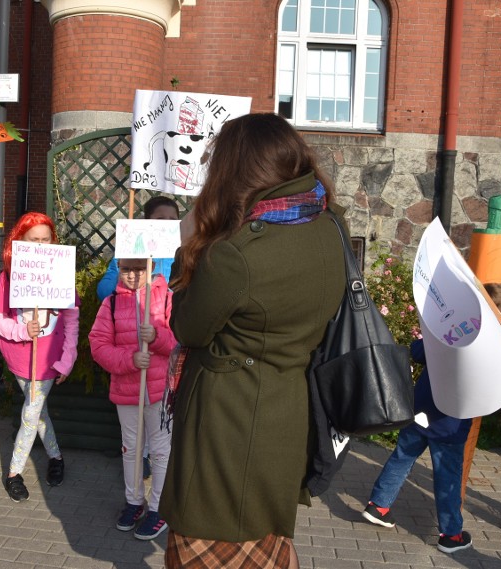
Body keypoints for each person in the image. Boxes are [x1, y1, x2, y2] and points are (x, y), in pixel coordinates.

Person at [159, 113, 346, 568]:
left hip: (228, 418)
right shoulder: (329, 226)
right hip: (286, 411)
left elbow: (188, 327)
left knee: (210, 540)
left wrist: (187, 251)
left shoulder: (235, 254)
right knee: (265, 539)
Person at [362, 283, 501, 554]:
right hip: (451, 422)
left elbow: (417, 350)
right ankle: (451, 535)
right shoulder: (492, 348)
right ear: (499, 318)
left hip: (420, 409)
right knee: (448, 475)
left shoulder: (453, 333)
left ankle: (378, 505)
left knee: (402, 457)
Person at [0, 212, 80, 502]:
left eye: (45, 239)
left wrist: (68, 358)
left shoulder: (62, 273)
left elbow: (71, 319)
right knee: (38, 412)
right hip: (18, 358)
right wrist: (21, 330)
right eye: (33, 240)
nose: (40, 245)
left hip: (49, 361)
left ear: (53, 241)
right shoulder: (9, 275)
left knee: (30, 414)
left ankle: (13, 472)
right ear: (19, 242)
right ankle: (56, 457)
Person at [89, 257, 177, 540]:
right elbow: (98, 344)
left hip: (159, 390)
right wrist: (129, 359)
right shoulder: (111, 303)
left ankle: (159, 507)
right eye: (126, 268)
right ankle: (134, 501)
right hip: (127, 390)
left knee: (161, 450)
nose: (133, 275)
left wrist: (158, 337)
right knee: (131, 448)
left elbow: (181, 341)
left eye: (140, 268)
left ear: (151, 268)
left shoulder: (165, 298)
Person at [96, 196, 180, 301]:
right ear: (147, 221)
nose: (167, 224)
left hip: (171, 314)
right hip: (134, 312)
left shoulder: (183, 253)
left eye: (173, 220)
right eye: (160, 219)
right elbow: (104, 292)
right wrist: (125, 273)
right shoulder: (131, 249)